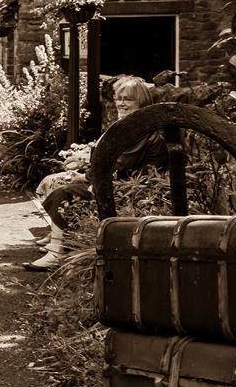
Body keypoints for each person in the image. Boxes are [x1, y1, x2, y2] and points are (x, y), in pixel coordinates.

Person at [25, 75, 160, 271]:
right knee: (59, 184)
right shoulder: (129, 125)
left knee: (64, 192)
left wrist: (86, 177)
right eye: (118, 98)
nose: (121, 103)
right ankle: (58, 239)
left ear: (141, 101)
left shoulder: (140, 129)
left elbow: (119, 163)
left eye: (128, 99)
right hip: (119, 181)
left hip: (131, 188)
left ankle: (56, 253)